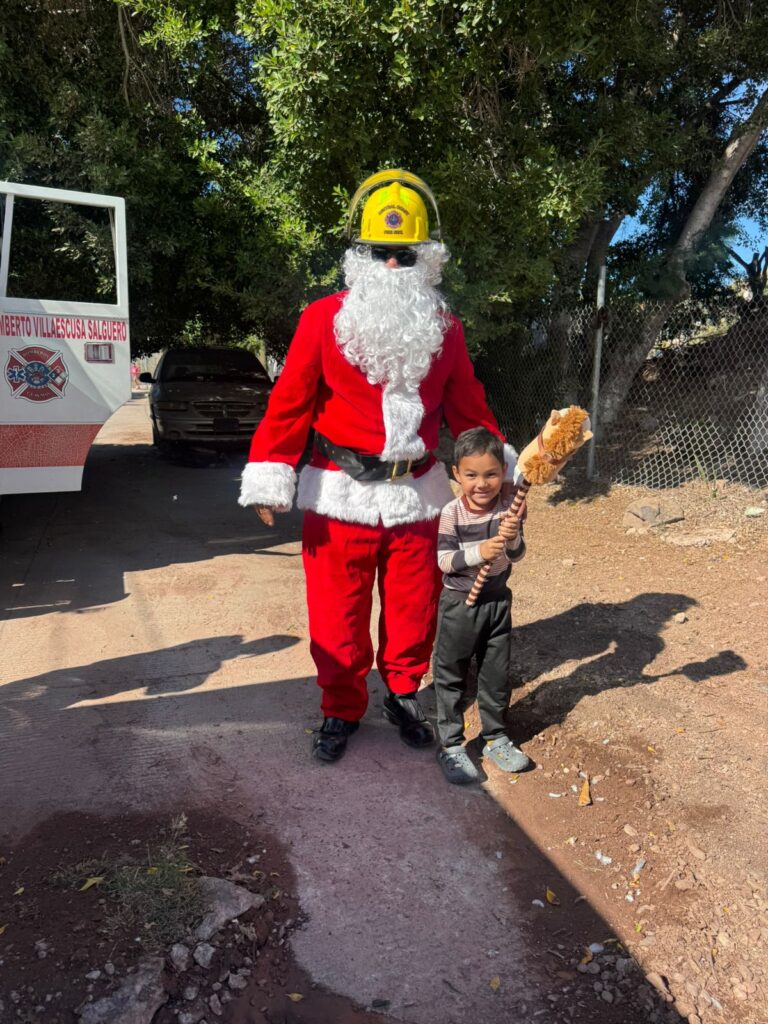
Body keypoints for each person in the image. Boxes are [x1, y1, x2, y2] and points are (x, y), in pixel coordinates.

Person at [238, 170, 518, 763]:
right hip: (338, 493)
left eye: (405, 255)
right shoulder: (322, 319)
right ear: (361, 255)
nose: (393, 266)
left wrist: (501, 470)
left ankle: (401, 693)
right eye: (382, 254)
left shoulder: (445, 330)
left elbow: (469, 409)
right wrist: (270, 473)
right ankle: (341, 708)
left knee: (414, 608)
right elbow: (289, 402)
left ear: (427, 260)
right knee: (336, 614)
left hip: (418, 495)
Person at [432, 427, 532, 785]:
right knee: (451, 673)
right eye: (471, 475)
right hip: (460, 603)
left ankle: (495, 737)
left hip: (497, 601)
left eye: (491, 474)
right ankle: (451, 744)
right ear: (456, 473)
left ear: (503, 473)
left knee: (495, 673)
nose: (481, 483)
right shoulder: (452, 513)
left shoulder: (510, 506)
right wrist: (479, 552)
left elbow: (518, 555)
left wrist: (513, 535)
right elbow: (444, 560)